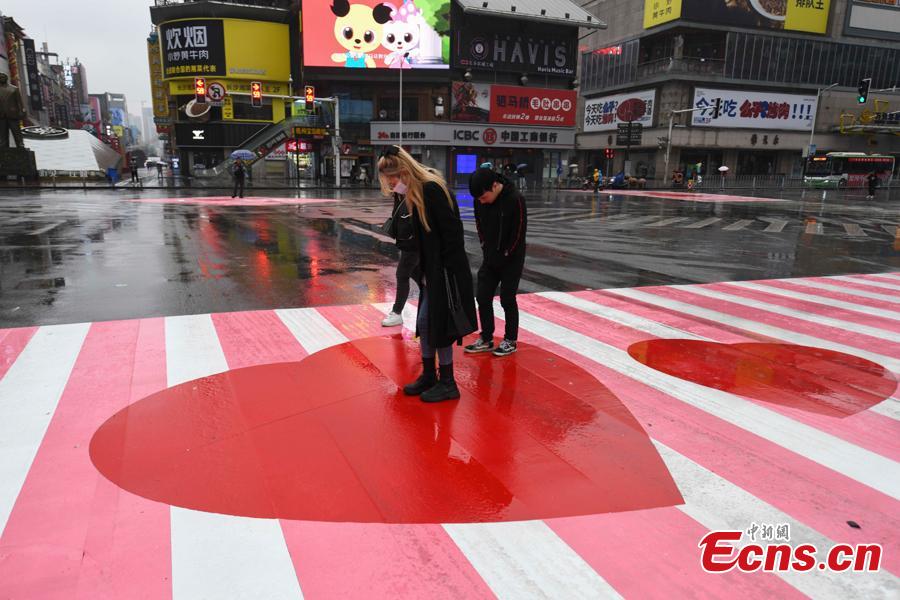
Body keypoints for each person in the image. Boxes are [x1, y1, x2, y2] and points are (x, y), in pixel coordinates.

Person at [377, 145, 476, 403]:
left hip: (444, 271)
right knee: (426, 323)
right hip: (432, 271)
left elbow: (452, 235)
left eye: (394, 178)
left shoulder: (431, 188)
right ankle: (430, 375)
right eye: (389, 179)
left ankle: (447, 382)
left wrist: (441, 271)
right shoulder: (416, 191)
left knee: (436, 324)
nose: (392, 184)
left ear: (404, 170)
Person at [464, 167, 527, 357]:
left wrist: (506, 254)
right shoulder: (480, 201)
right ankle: (486, 337)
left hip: (512, 257)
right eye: (478, 199)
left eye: (483, 197)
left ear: (494, 185)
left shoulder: (515, 199)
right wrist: (485, 246)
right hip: (490, 255)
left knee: (508, 299)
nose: (481, 202)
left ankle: (510, 340)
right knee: (482, 296)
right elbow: (479, 225)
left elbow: (519, 232)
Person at [380, 168, 420, 327]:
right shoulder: (400, 192)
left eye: (392, 178)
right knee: (417, 273)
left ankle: (397, 312)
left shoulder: (415, 192)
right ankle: (431, 300)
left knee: (402, 274)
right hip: (406, 242)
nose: (390, 182)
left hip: (413, 243)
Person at [0, 73, 25, 149]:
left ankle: (20, 144)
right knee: (2, 134)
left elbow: (19, 102)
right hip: (1, 115)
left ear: (6, 78)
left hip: (13, 114)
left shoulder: (14, 89)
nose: (2, 78)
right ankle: (3, 147)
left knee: (16, 132)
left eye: (3, 77)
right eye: (0, 77)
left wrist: (21, 111)